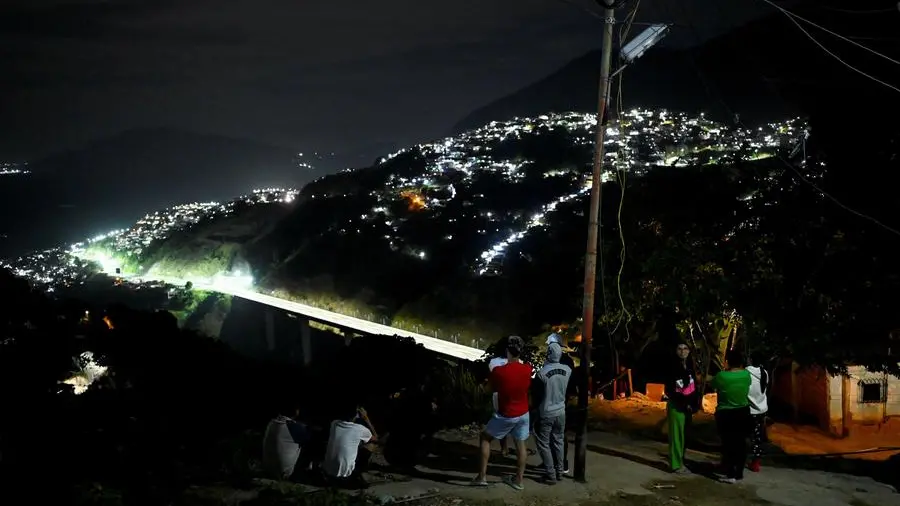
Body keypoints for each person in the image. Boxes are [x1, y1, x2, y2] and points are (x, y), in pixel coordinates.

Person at [472, 335, 532, 491]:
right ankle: (518, 480)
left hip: (507, 413)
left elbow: (488, 390)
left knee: (485, 438)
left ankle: (482, 477)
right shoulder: (527, 369)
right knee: (521, 445)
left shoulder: (499, 371)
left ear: (507, 351)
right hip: (524, 412)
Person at [711, 348, 752, 484]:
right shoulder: (746, 375)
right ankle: (738, 473)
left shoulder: (722, 376)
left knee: (728, 444)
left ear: (727, 362)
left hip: (726, 412)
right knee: (740, 443)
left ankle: (730, 474)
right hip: (743, 411)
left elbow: (714, 385)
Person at [534, 342, 572, 484]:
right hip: (561, 411)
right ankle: (560, 471)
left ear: (548, 354)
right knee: (559, 441)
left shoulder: (542, 373)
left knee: (544, 443)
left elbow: (537, 396)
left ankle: (550, 474)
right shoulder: (567, 370)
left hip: (546, 412)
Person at [323, 405, 379, 489]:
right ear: (356, 415)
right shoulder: (359, 429)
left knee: (352, 443)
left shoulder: (334, 423)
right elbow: (376, 438)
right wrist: (366, 418)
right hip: (346, 477)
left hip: (328, 473)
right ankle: (358, 472)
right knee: (371, 445)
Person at [665, 343, 700, 474]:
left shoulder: (690, 367)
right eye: (679, 349)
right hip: (676, 406)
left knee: (684, 436)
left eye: (685, 348)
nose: (682, 351)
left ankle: (680, 462)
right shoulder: (672, 368)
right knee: (676, 437)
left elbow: (693, 388)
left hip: (688, 407)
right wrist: (684, 403)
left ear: (689, 351)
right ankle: (675, 465)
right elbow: (671, 390)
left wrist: (693, 404)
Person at [547, 333, 576, 475]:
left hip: (557, 400)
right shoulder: (566, 361)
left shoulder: (561, 361)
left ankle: (560, 463)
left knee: (558, 434)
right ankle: (557, 462)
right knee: (557, 434)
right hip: (561, 399)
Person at [262, 403, 310, 480]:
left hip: (268, 469)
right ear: (296, 411)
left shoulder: (272, 423)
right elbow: (309, 439)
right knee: (308, 447)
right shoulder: (294, 428)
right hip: (284, 474)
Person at [747, 356, 769, 473]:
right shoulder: (764, 372)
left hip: (749, 409)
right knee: (757, 437)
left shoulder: (745, 373)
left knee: (743, 435)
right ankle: (756, 463)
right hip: (761, 409)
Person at [488, 350, 512, 458]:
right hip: (513, 395)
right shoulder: (517, 362)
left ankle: (504, 448)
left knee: (501, 420)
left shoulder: (494, 362)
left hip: (498, 395)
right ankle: (508, 449)